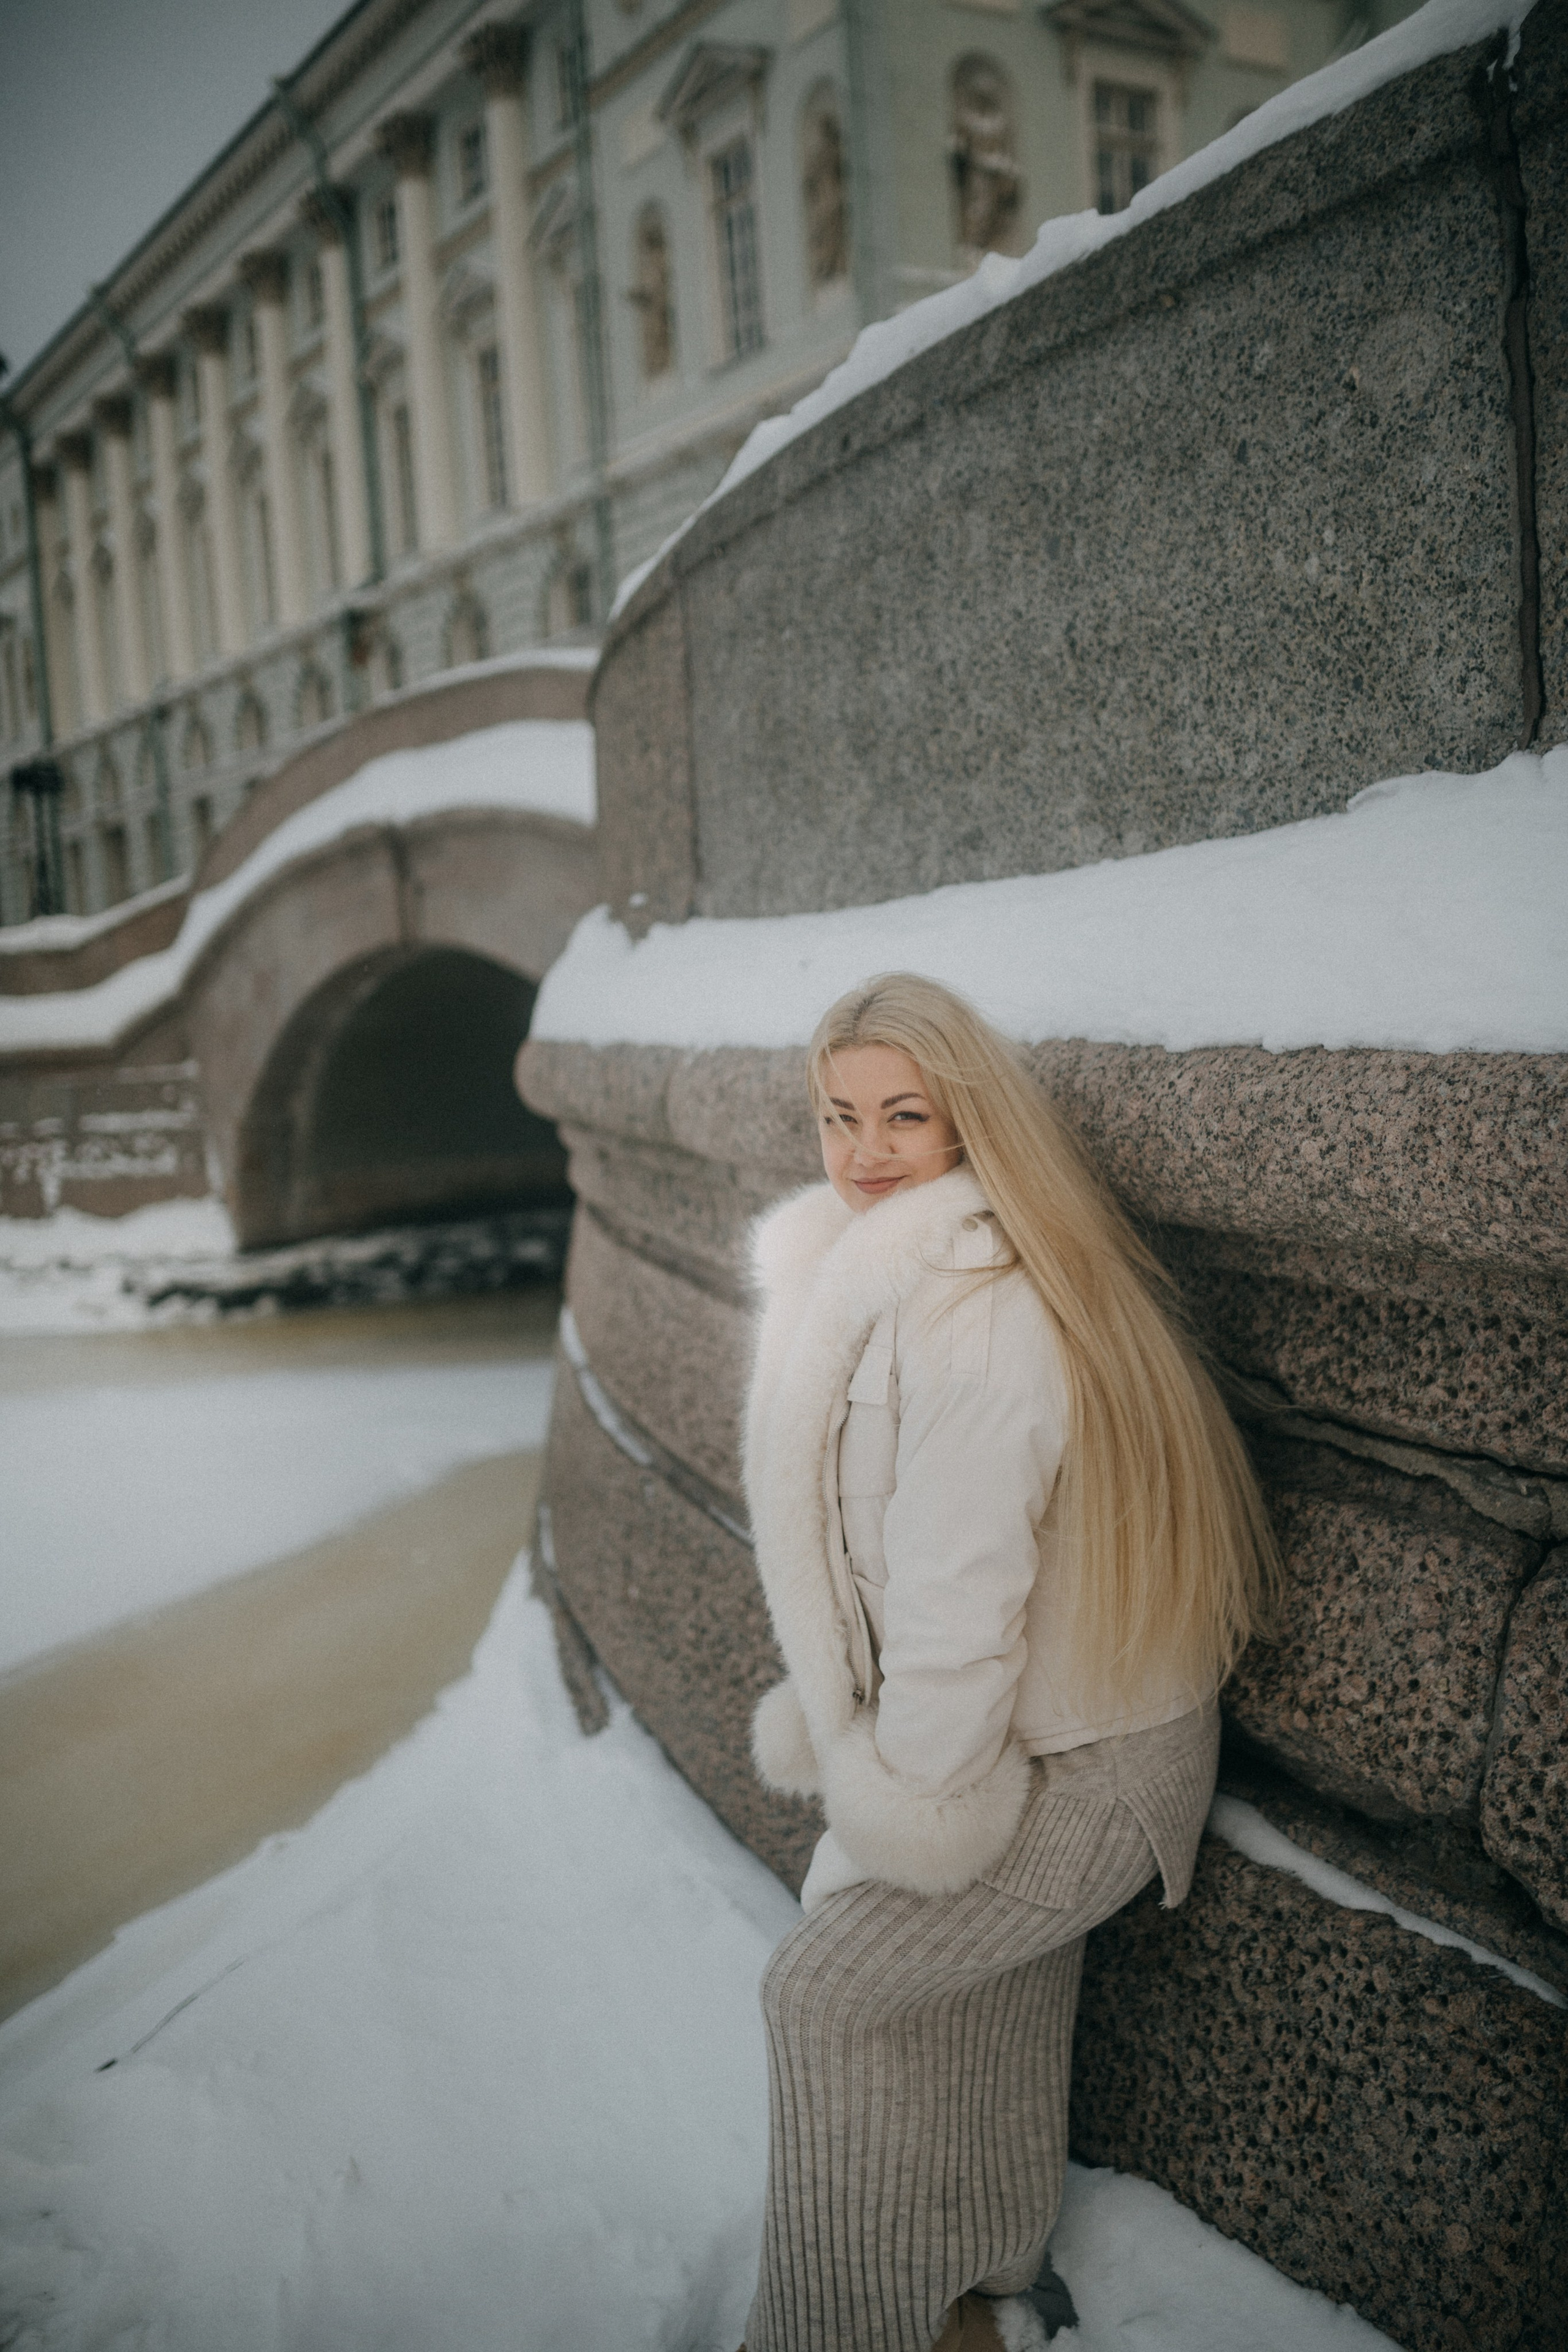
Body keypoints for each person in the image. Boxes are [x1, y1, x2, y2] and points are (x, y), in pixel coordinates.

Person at [738, 974, 1278, 2352]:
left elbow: (957, 1606)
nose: (863, 1154)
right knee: (967, 1992)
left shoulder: (973, 1306)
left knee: (823, 1988)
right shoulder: (883, 1274)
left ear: (966, 1121)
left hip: (1087, 1763)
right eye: (836, 1117)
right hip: (1024, 1732)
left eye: (902, 1117)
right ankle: (970, 2302)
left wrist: (907, 1803)